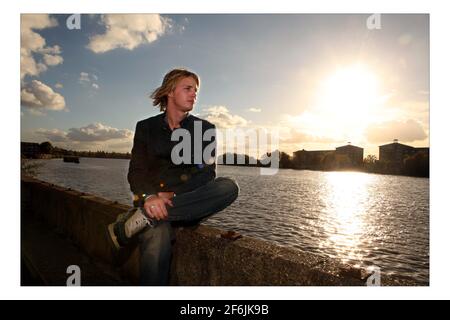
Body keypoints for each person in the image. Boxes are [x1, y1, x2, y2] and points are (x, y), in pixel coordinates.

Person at [107, 68, 239, 285]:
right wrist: (150, 196)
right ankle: (149, 214)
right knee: (156, 235)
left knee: (229, 187)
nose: (194, 94)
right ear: (169, 92)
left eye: (195, 91)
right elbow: (136, 171)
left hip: (187, 203)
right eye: (187, 88)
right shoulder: (145, 128)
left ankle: (141, 217)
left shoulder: (205, 129)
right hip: (152, 202)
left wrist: (172, 194)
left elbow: (206, 175)